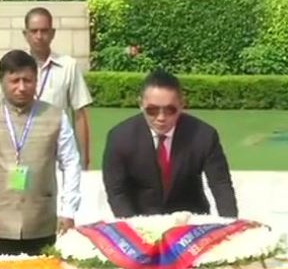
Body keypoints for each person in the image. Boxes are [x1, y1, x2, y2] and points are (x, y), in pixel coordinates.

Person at [0, 49, 81, 256]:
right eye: (14, 81)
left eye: (28, 80)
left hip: (43, 222)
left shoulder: (56, 117)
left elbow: (71, 163)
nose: (21, 87)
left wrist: (68, 211)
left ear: (36, 81)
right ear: (2, 81)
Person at [102, 69, 238, 218]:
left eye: (170, 110)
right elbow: (117, 192)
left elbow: (221, 185)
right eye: (152, 110)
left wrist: (230, 226)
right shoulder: (120, 137)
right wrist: (133, 228)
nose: (161, 117)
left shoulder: (204, 135)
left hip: (191, 222)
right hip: (140, 222)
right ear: (141, 104)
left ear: (181, 104)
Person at [0, 7, 93, 169]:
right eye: (34, 31)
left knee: (56, 194)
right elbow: (0, 112)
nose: (39, 36)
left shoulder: (68, 66)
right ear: (25, 34)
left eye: (44, 31)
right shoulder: (13, 65)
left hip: (56, 156)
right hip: (19, 154)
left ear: (53, 33)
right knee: (17, 193)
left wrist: (84, 161)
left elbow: (79, 115)